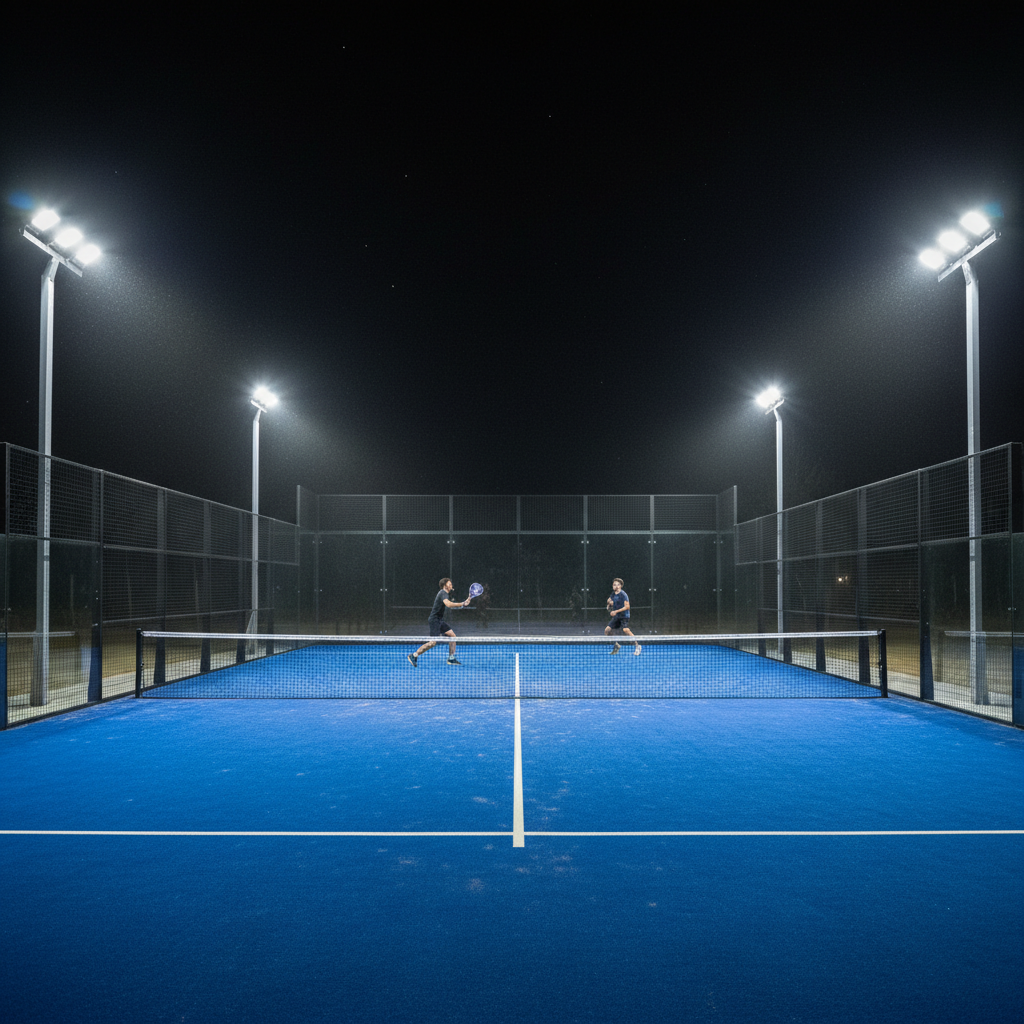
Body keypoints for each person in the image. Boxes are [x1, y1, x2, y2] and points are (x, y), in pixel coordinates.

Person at [408, 577, 472, 666]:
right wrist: (462, 603)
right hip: (434, 620)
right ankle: (414, 655)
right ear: (445, 585)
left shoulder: (444, 594)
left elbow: (450, 605)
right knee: (433, 643)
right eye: (449, 584)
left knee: (452, 636)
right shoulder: (443, 593)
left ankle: (451, 658)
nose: (451, 586)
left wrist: (463, 604)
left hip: (439, 620)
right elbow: (449, 604)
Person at [606, 577, 641, 655]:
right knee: (607, 631)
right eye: (614, 585)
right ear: (612, 586)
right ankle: (616, 645)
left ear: (621, 586)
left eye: (618, 585)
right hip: (616, 616)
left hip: (624, 615)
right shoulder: (613, 594)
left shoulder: (623, 594)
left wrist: (615, 611)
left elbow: (627, 607)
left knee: (625, 630)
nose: (616, 586)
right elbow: (609, 600)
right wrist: (609, 604)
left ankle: (637, 646)